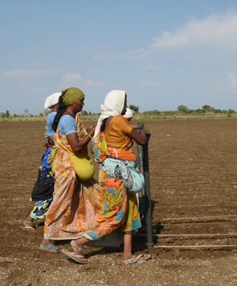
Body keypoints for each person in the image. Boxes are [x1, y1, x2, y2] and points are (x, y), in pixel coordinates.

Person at [61, 90, 150, 264]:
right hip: (116, 175)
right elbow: (141, 140)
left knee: (130, 211)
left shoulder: (104, 120)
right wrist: (144, 132)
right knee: (115, 216)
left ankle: (127, 255)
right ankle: (79, 243)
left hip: (118, 172)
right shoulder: (117, 120)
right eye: (124, 103)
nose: (125, 107)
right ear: (117, 103)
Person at [39, 87, 102, 252]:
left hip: (71, 166)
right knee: (61, 201)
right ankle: (47, 240)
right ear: (73, 102)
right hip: (67, 166)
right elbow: (76, 146)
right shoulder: (67, 120)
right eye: (81, 100)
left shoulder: (71, 118)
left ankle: (87, 230)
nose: (83, 103)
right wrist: (91, 133)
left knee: (88, 196)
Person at [22, 92, 61, 232]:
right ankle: (29, 219)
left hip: (57, 156)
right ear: (58, 104)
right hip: (53, 159)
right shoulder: (54, 116)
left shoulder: (60, 116)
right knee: (49, 192)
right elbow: (53, 137)